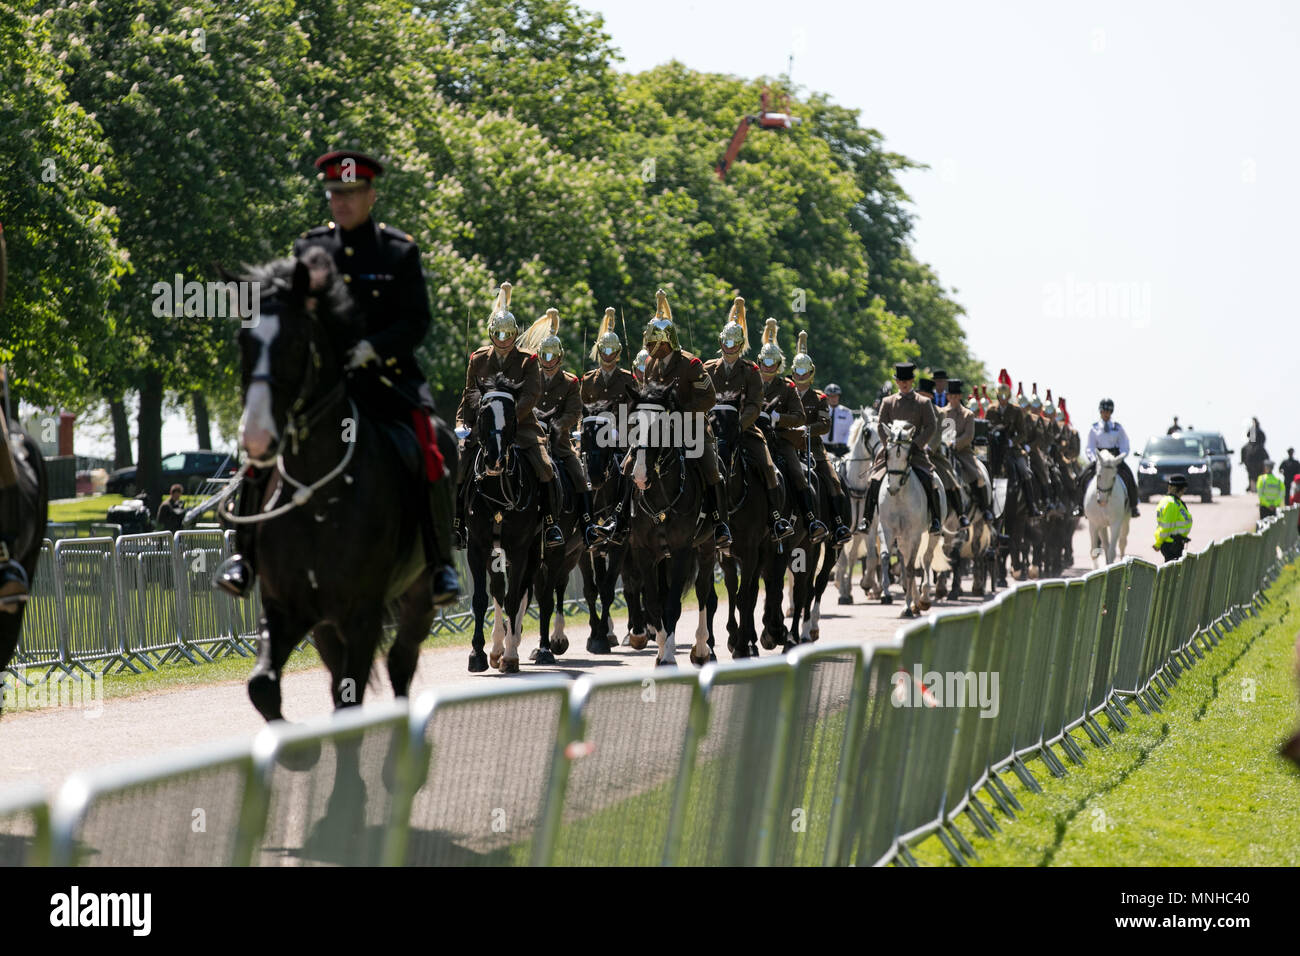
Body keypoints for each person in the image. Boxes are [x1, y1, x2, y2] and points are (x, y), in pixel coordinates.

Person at [215, 150, 460, 605]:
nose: (340, 203)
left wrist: (374, 347)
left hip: (384, 379)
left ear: (370, 195)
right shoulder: (309, 250)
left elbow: (416, 321)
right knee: (261, 450)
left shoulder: (398, 251)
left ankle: (439, 561)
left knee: (432, 447)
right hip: (321, 384)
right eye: (333, 194)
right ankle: (244, 556)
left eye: (349, 194)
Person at [599, 289, 731, 549]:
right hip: (654, 430)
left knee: (712, 468)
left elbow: (709, 399)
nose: (649, 348)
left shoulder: (691, 365)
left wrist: (679, 412)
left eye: (652, 343)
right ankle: (620, 518)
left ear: (666, 341)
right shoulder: (649, 365)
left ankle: (719, 523)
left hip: (690, 428)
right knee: (627, 465)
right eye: (648, 343)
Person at [453, 282, 564, 549]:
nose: (503, 341)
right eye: (498, 335)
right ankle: (457, 524)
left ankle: (550, 524)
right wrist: (461, 424)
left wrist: (506, 418)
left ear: (515, 335)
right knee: (458, 465)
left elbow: (532, 395)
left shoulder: (528, 359)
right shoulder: (478, 359)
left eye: (508, 335)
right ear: (492, 334)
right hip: (484, 428)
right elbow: (469, 394)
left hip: (521, 426)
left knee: (546, 467)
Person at [702, 297, 794, 542]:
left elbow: (754, 404)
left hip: (743, 428)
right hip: (711, 429)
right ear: (721, 342)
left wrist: (740, 425)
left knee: (767, 466)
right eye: (726, 341)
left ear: (741, 344)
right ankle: (701, 517)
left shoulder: (752, 371)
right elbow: (699, 400)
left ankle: (775, 518)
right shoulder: (708, 369)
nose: (729, 346)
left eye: (734, 342)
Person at [516, 308, 601, 548]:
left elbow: (574, 412)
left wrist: (556, 425)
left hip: (559, 442)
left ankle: (587, 525)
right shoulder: (529, 378)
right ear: (539, 356)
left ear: (560, 357)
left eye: (553, 356)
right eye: (544, 355)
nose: (548, 360)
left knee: (579, 476)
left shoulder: (571, 382)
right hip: (531, 437)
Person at [754, 319, 829, 545]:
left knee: (797, 473)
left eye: (772, 364)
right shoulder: (750, 382)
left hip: (780, 440)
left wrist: (779, 419)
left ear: (778, 365)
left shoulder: (787, 387)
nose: (767, 368)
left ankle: (811, 519)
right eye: (764, 363)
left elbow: (800, 417)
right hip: (753, 436)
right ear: (759, 363)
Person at [857, 362, 943, 535]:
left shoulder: (923, 402)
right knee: (874, 479)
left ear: (912, 381)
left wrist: (916, 445)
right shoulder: (887, 402)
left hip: (914, 451)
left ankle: (935, 519)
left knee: (929, 478)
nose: (904, 383)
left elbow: (931, 426)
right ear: (896, 382)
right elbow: (880, 426)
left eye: (907, 380)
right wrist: (888, 446)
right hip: (891, 453)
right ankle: (866, 519)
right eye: (901, 380)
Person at [788, 330, 853, 543]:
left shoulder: (820, 398)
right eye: (797, 371)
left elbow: (825, 425)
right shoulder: (785, 394)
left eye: (804, 372)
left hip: (813, 448)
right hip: (787, 445)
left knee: (834, 482)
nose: (800, 376)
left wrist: (807, 429)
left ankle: (838, 525)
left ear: (811, 373)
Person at [983, 370, 1043, 517]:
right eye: (1000, 396)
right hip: (995, 448)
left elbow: (1023, 433)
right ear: (997, 395)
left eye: (1006, 396)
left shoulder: (1016, 411)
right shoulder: (991, 410)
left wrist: (1011, 442)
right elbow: (985, 428)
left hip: (1011, 448)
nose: (1003, 399)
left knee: (1024, 471)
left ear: (1009, 396)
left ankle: (1031, 505)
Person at [1074, 397, 1140, 519]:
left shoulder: (1118, 428)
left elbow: (1125, 445)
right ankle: (1080, 506)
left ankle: (1133, 506)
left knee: (1129, 476)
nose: (1106, 414)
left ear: (1111, 412)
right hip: (1099, 459)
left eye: (1108, 412)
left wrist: (1120, 458)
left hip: (1114, 460)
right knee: (1082, 478)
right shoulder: (1094, 428)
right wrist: (1095, 460)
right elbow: (1090, 447)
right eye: (1103, 412)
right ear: (1100, 412)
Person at [915, 377, 967, 526]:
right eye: (920, 394)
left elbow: (937, 435)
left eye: (925, 395)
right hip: (911, 452)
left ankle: (960, 513)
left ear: (931, 396)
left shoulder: (939, 413)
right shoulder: (912, 409)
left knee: (949, 476)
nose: (922, 397)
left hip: (933, 454)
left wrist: (928, 448)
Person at [944, 380, 995, 522]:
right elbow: (941, 432)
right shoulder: (942, 412)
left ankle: (985, 508)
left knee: (977, 476)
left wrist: (954, 443)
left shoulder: (968, 414)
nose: (953, 399)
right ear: (948, 397)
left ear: (960, 396)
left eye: (956, 396)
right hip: (944, 452)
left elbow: (968, 436)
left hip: (963, 452)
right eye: (951, 396)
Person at [1153, 474, 1192, 561]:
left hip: (1174, 543)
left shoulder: (1169, 501)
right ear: (1182, 489)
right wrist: (1158, 544)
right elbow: (1166, 527)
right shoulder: (1172, 504)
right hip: (1171, 544)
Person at [823, 383, 854, 457]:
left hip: (841, 449)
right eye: (831, 396)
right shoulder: (822, 411)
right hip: (823, 447)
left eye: (835, 396)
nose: (833, 399)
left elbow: (850, 431)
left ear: (838, 396)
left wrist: (844, 444)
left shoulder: (847, 413)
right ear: (827, 397)